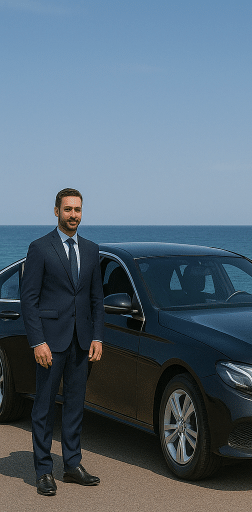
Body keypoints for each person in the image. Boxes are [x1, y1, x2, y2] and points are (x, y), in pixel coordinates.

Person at [20, 188, 104, 496]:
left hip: (81, 341)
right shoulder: (40, 248)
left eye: (78, 210)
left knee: (75, 406)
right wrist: (37, 341)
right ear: (56, 211)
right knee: (44, 407)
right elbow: (28, 300)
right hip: (50, 343)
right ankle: (43, 470)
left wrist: (97, 336)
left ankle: (72, 465)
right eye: (67, 209)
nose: (73, 215)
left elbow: (96, 298)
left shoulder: (93, 250)